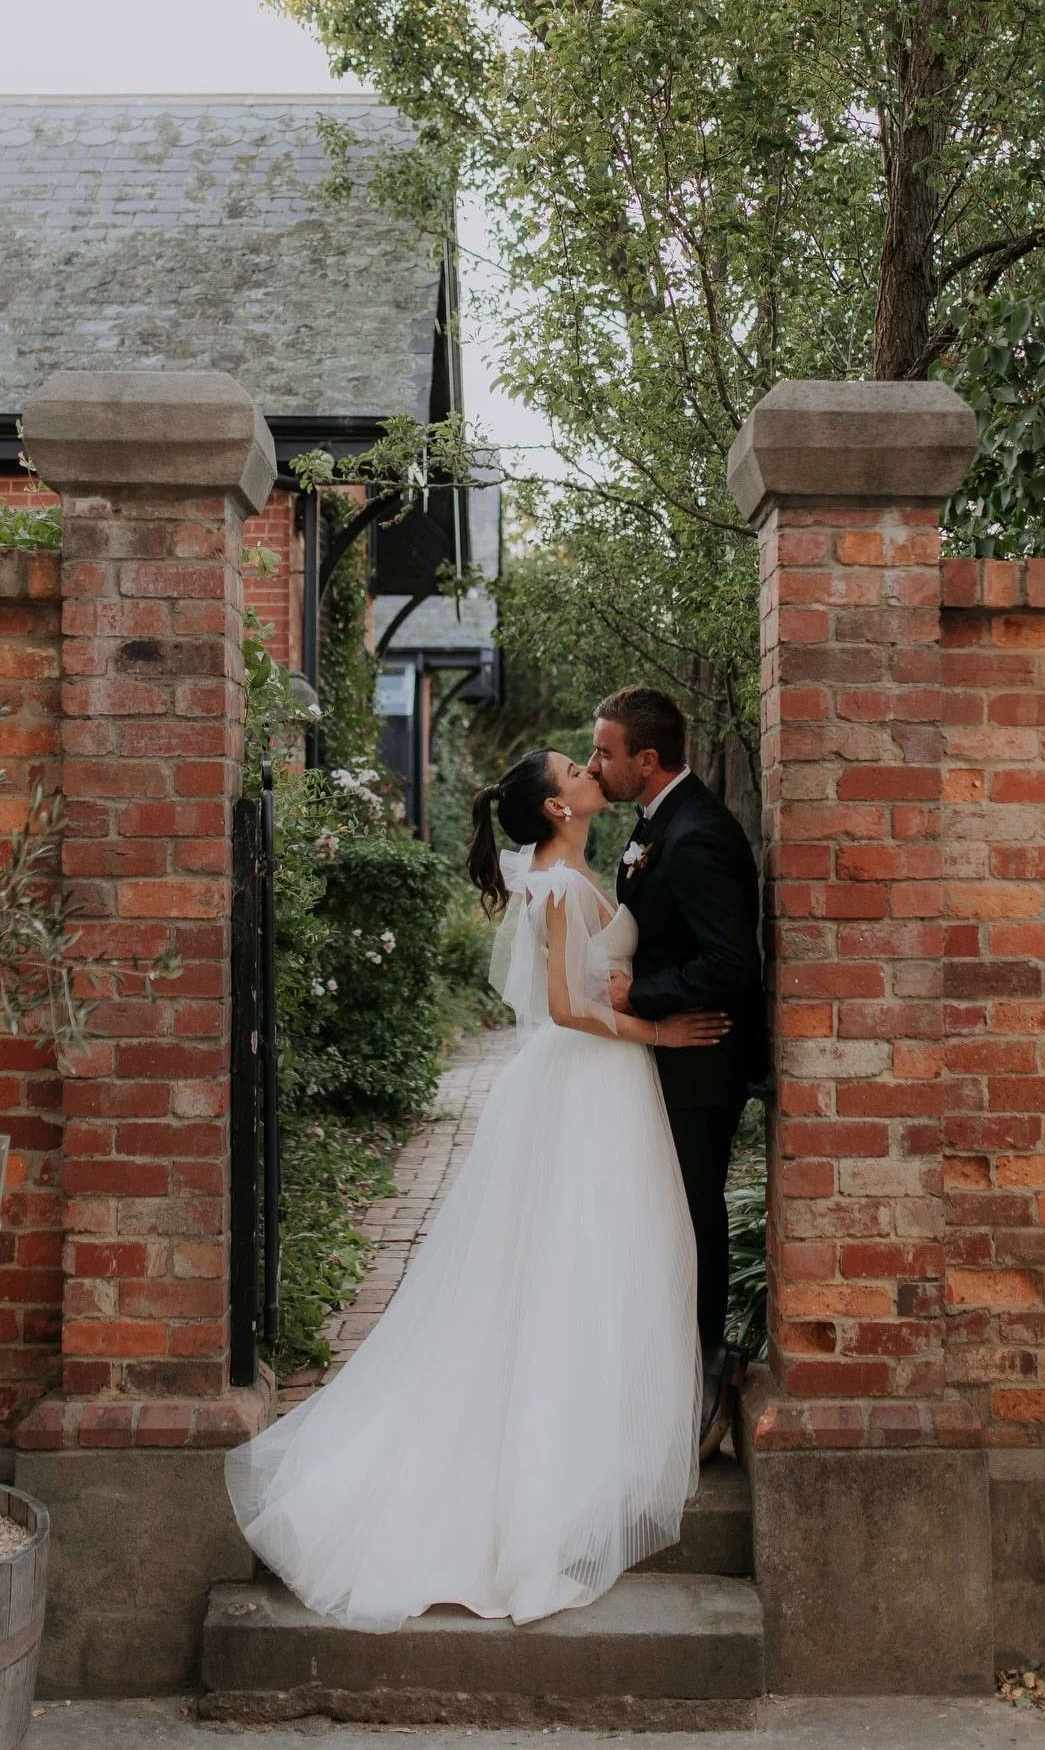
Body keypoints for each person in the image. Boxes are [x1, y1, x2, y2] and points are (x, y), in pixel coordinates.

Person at [225, 748, 726, 1632]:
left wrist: (629, 996)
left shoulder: (556, 872)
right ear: (555, 805)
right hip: (590, 1077)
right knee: (581, 1263)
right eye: (577, 769)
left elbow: (582, 988)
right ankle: (556, 1467)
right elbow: (569, 1007)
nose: (588, 771)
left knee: (571, 1264)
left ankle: (584, 1440)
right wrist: (661, 1030)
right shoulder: (562, 885)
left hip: (585, 1082)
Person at [589, 685, 767, 1460]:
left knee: (695, 1215)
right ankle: (675, 1368)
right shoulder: (660, 822)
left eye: (605, 751)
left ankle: (706, 1371)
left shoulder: (696, 835)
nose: (597, 763)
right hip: (671, 1049)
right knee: (671, 1214)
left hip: (701, 1056)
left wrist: (645, 995)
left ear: (646, 758)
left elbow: (731, 962)